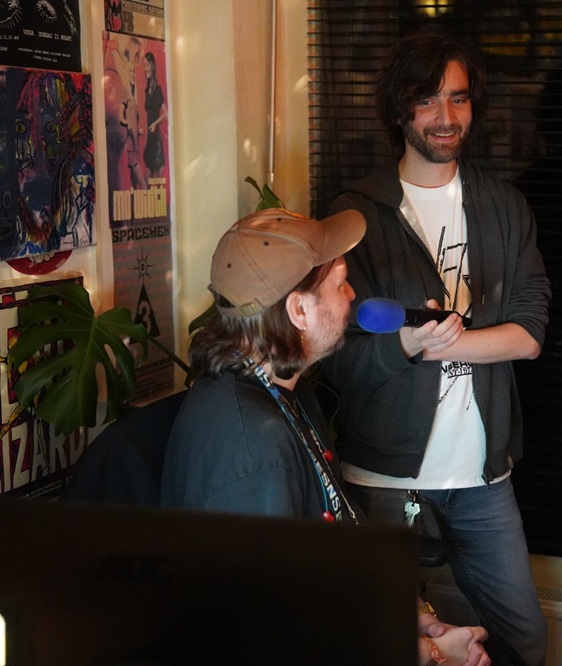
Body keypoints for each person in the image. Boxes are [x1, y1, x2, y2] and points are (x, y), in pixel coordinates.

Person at [160, 207, 491, 666]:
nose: (352, 295)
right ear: (298, 310)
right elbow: (277, 635)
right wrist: (428, 654)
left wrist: (415, 618)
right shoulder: (253, 451)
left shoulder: (285, 391)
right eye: (340, 283)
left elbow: (341, 534)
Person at [322, 30, 551, 666]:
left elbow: (530, 334)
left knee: (524, 638)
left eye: (458, 98)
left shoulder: (503, 206)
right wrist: (406, 343)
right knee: (385, 641)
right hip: (383, 479)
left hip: (482, 475)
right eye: (426, 100)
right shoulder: (355, 214)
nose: (445, 116)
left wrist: (431, 346)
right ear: (400, 110)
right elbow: (338, 358)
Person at [141, 51, 167, 180]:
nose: (145, 69)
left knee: (156, 181)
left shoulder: (157, 90)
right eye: (144, 66)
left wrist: (155, 124)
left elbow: (166, 114)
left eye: (147, 65)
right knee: (147, 181)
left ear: (152, 66)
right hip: (149, 139)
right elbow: (147, 119)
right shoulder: (147, 91)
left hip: (156, 139)